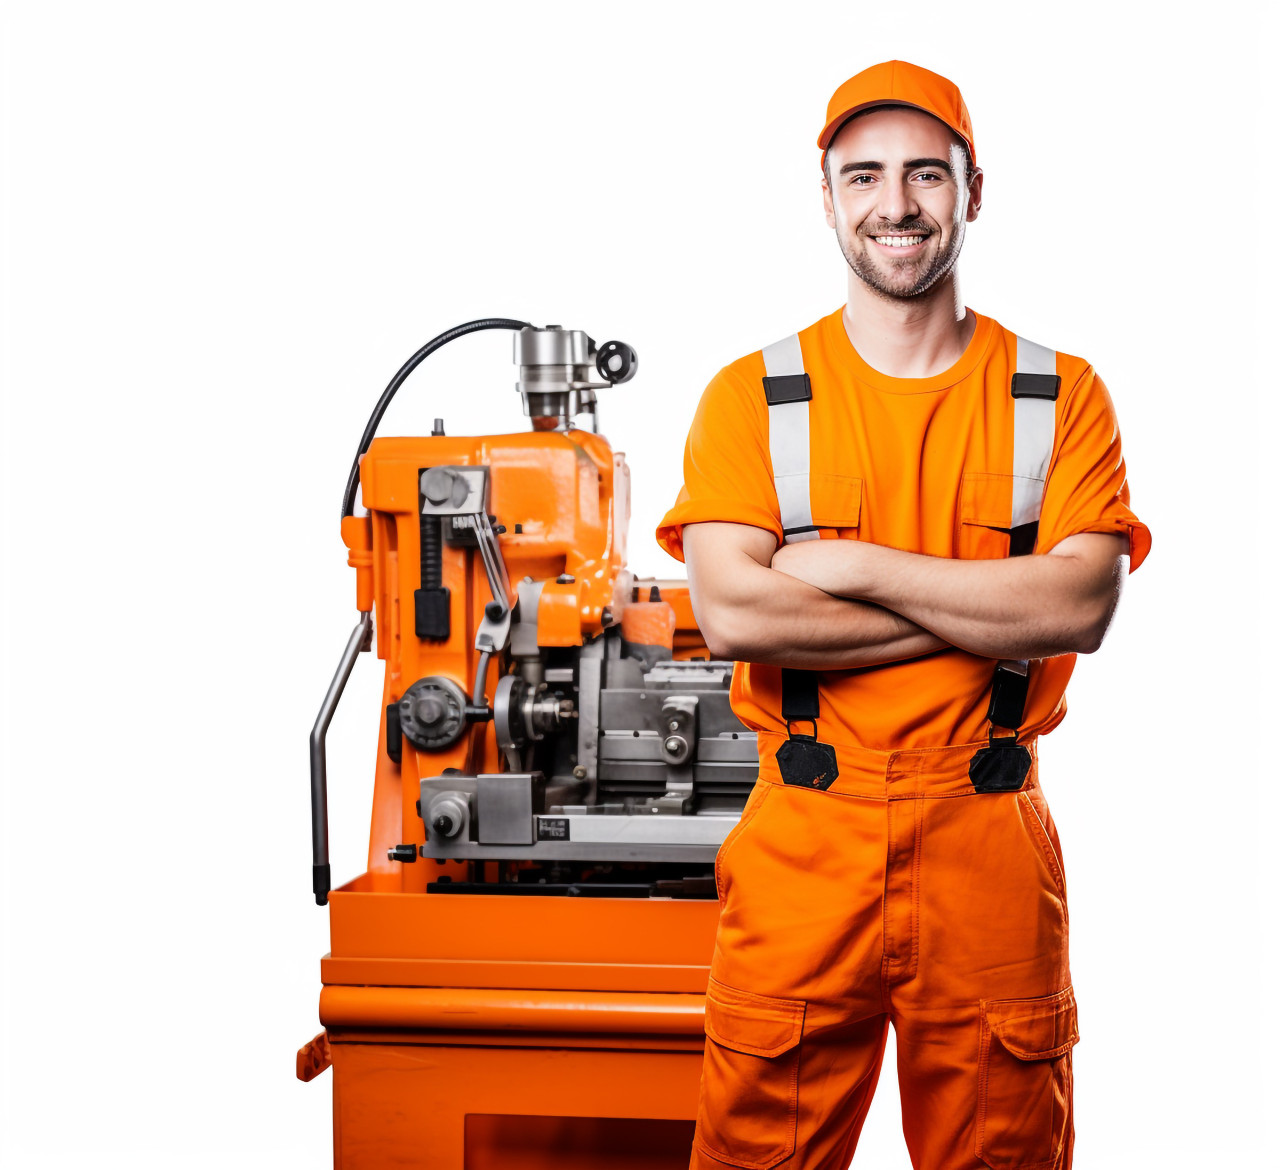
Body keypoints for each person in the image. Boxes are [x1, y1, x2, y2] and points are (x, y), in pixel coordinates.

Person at [655, 60, 1151, 1170]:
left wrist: (856, 567)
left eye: (926, 173)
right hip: (805, 837)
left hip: (987, 838)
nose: (896, 204)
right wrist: (994, 610)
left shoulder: (1058, 394)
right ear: (827, 197)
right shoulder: (752, 396)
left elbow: (1079, 603)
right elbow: (734, 613)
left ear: (973, 191)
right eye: (864, 175)